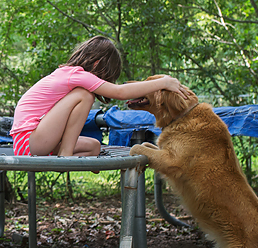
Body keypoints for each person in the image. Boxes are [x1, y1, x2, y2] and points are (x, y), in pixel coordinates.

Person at [11, 36, 184, 157]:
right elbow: (120, 92)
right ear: (97, 64)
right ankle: (65, 155)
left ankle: (64, 154)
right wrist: (163, 82)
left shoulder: (69, 76)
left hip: (40, 142)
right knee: (85, 96)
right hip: (29, 141)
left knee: (94, 147)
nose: (104, 82)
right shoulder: (75, 75)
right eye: (106, 76)